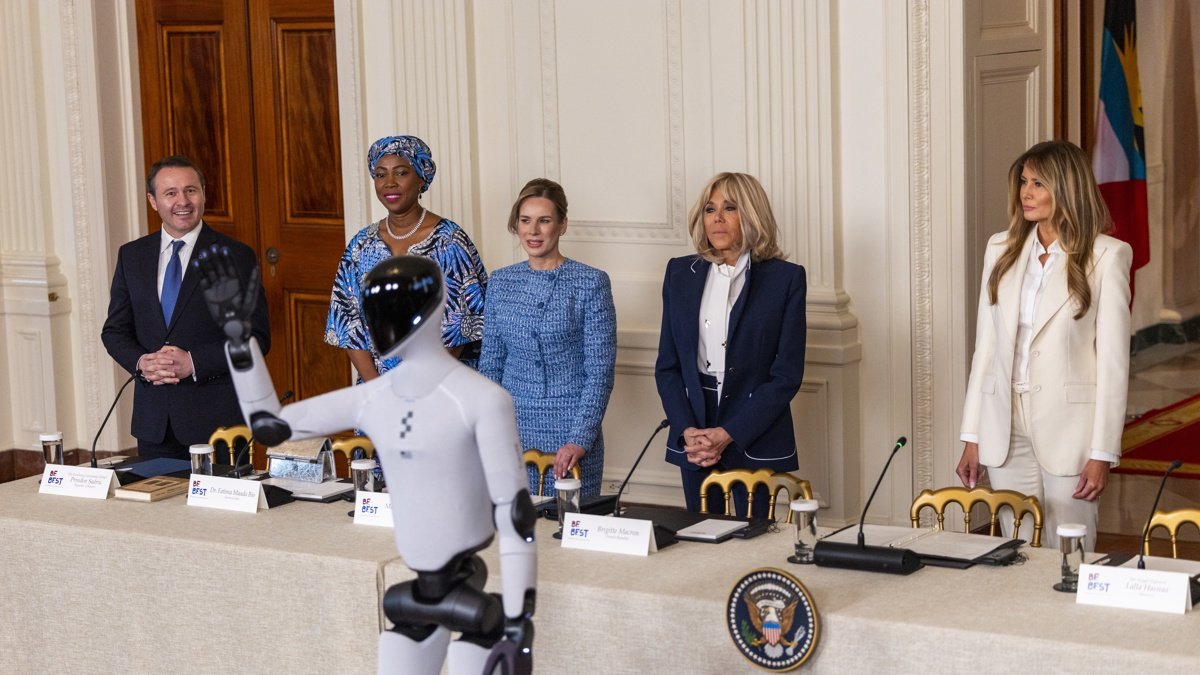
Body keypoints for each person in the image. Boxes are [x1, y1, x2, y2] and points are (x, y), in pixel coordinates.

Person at [196, 251, 535, 674]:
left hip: (470, 592)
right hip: (418, 588)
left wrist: (520, 617)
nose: (385, 319)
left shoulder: (482, 399)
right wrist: (238, 342)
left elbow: (515, 514)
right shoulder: (376, 397)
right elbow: (271, 426)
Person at [957, 140, 1132, 552]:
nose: (1026, 192)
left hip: (1071, 429)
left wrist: (1102, 452)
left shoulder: (1107, 256)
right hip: (1005, 423)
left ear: (1067, 188)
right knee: (1016, 550)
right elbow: (986, 349)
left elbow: (1112, 365)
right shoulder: (1000, 249)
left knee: (1071, 550)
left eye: (1039, 183)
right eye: (1023, 181)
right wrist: (972, 434)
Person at [655, 172, 807, 518]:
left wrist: (729, 432)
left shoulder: (785, 279)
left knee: (752, 541)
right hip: (694, 426)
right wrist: (687, 430)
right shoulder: (680, 273)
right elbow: (668, 366)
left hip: (755, 425)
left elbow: (786, 375)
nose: (717, 218)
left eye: (730, 208)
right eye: (709, 209)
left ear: (752, 215)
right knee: (699, 537)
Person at [101, 155, 270, 461]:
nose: (183, 201)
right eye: (170, 193)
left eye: (191, 190)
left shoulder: (236, 256)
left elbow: (256, 337)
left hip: (218, 425)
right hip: (154, 423)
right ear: (153, 201)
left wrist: (194, 362)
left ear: (203, 194)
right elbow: (114, 331)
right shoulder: (132, 256)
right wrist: (141, 363)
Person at [479, 179, 616, 498]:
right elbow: (490, 368)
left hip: (571, 432)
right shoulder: (500, 282)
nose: (533, 231)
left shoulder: (590, 283)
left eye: (544, 220)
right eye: (525, 221)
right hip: (510, 432)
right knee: (512, 531)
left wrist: (580, 439)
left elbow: (599, 373)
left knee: (569, 534)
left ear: (562, 224)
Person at [326, 135, 487, 379]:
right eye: (380, 175)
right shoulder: (361, 245)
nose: (389, 183)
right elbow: (347, 322)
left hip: (441, 384)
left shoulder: (449, 241)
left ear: (421, 178)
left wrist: (420, 389)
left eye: (401, 173)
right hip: (378, 388)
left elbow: (461, 325)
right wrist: (377, 389)